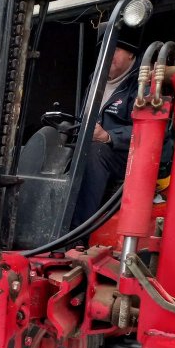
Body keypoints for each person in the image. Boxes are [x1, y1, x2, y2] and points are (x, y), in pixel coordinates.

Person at [71, 32, 141, 227]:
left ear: (131, 54)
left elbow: (150, 132)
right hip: (93, 148)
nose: (108, 54)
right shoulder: (95, 80)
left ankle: (78, 232)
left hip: (127, 157)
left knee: (95, 151)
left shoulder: (143, 83)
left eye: (115, 49)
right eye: (104, 49)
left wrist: (108, 136)